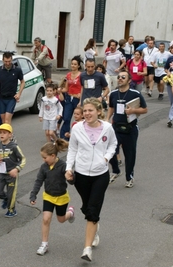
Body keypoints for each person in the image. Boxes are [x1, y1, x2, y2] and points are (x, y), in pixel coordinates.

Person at [65, 97, 117, 262]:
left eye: (90, 110)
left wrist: (106, 158)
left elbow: (113, 145)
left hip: (100, 174)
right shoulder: (77, 128)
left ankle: (87, 249)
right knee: (87, 208)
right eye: (85, 111)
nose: (86, 114)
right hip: (81, 174)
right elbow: (72, 149)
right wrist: (68, 168)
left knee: (93, 211)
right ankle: (94, 227)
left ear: (99, 111)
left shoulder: (107, 128)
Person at [30, 139, 75, 256]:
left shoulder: (63, 165)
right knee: (46, 219)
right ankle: (44, 244)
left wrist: (71, 178)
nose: (43, 160)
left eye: (45, 158)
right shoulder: (44, 167)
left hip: (61, 197)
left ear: (53, 156)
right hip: (48, 196)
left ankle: (70, 213)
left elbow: (71, 181)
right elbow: (38, 181)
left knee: (60, 219)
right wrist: (33, 194)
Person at [106, 70, 148, 188]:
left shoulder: (135, 94)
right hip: (116, 127)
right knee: (110, 150)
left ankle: (129, 177)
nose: (120, 79)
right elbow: (111, 107)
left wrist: (133, 111)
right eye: (119, 77)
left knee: (129, 155)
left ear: (129, 80)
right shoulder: (113, 94)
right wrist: (107, 119)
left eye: (123, 77)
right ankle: (115, 170)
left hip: (130, 128)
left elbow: (145, 109)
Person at [0, 123, 26, 218]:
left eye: (4, 133)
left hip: (12, 175)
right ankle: (6, 199)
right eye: (0, 133)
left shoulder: (14, 146)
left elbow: (23, 159)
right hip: (2, 174)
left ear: (10, 135)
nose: (1, 135)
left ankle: (11, 210)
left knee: (12, 193)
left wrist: (17, 169)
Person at [0, 52, 25, 125]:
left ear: (12, 60)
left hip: (12, 98)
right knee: (3, 120)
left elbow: (23, 82)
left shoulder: (17, 70)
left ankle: (9, 136)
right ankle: (8, 135)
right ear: (3, 60)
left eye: (9, 61)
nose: (7, 63)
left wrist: (19, 93)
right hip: (2, 98)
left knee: (7, 119)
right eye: (6, 61)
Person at [60, 55, 83, 140]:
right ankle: (64, 137)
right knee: (66, 118)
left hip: (77, 99)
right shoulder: (68, 75)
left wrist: (81, 97)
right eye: (72, 64)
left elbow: (83, 87)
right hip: (69, 98)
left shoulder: (81, 75)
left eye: (75, 64)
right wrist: (59, 90)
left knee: (79, 118)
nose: (73, 66)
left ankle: (79, 136)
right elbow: (66, 88)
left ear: (78, 66)